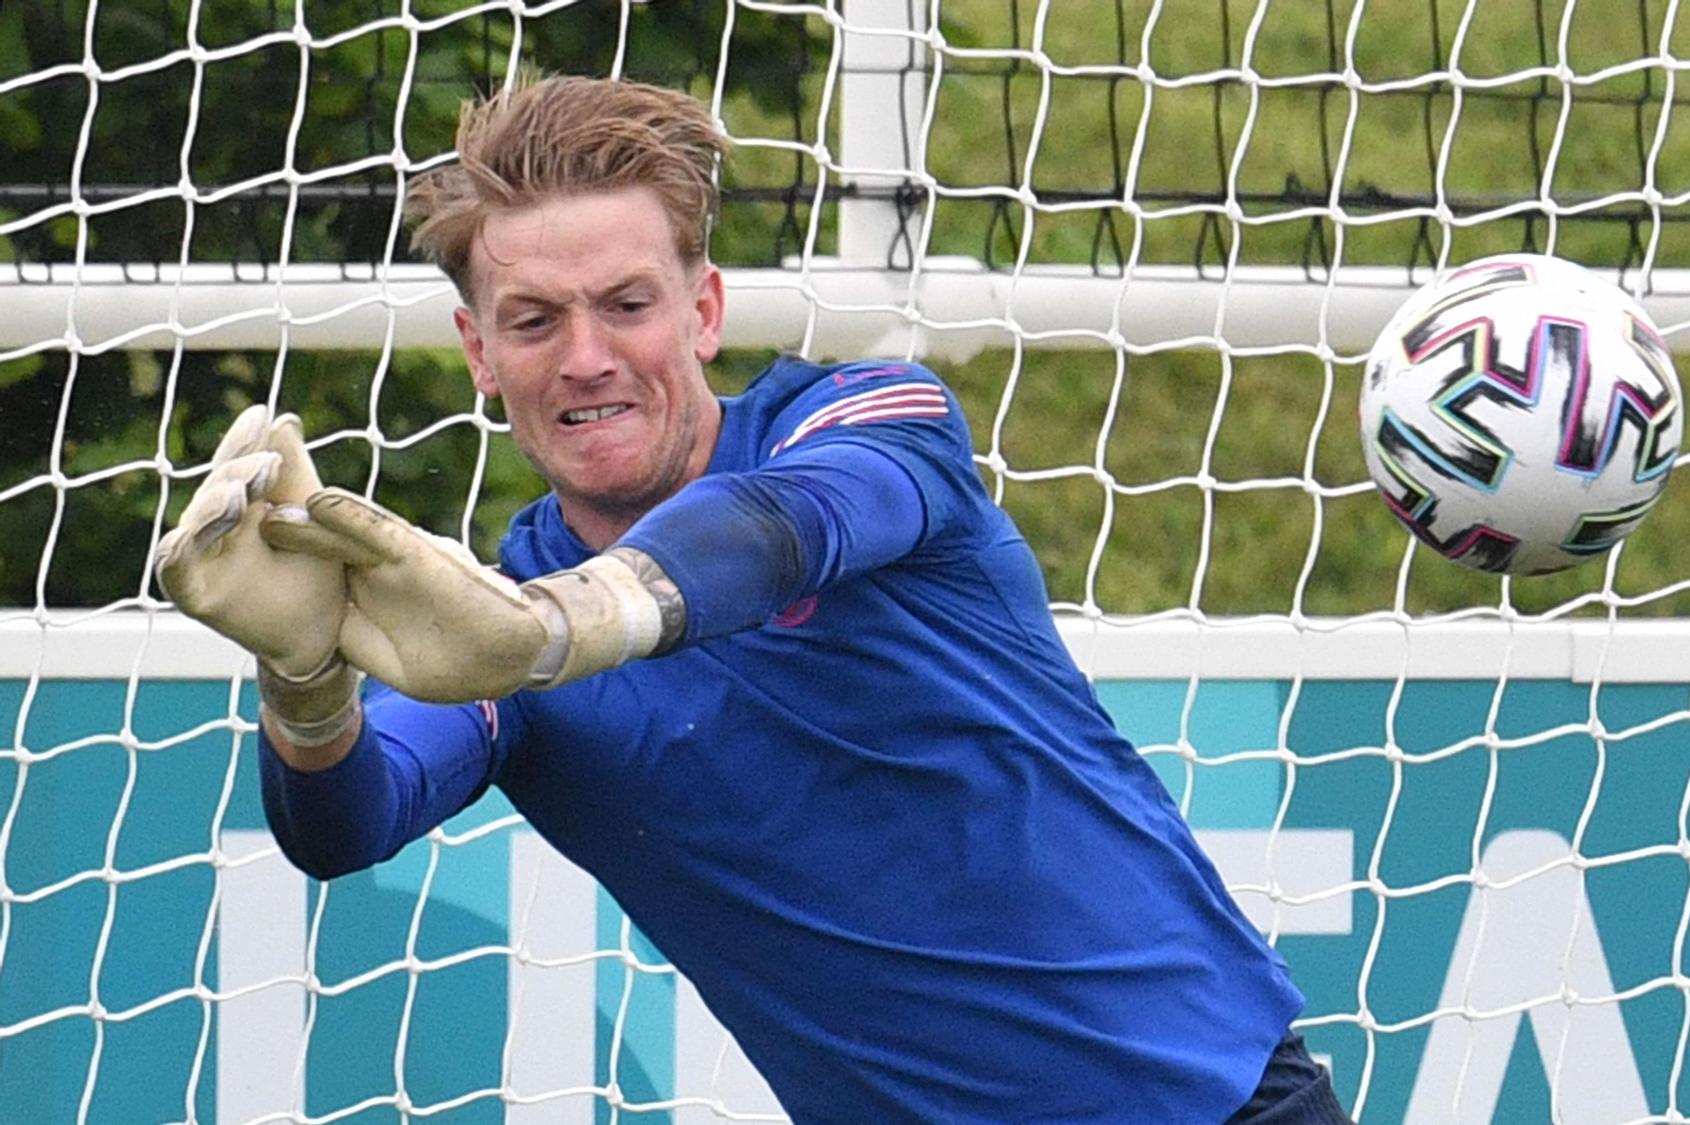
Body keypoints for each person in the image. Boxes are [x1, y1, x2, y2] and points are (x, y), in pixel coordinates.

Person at [156, 74, 1352, 1125]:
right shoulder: (493, 629)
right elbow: (344, 824)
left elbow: (778, 533)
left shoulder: (873, 421)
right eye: (533, 320)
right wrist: (306, 683)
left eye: (627, 304)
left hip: (1217, 1106)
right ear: (478, 350)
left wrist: (561, 629)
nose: (585, 357)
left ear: (705, 310)